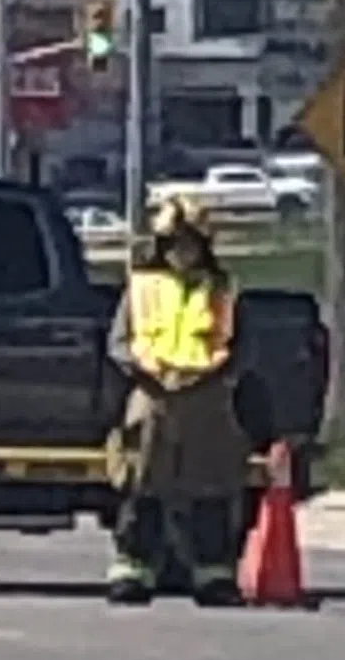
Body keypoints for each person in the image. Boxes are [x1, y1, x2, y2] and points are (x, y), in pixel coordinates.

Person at [106, 199, 249, 608]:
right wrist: (146, 375)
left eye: (189, 244)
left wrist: (220, 379)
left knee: (211, 489)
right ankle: (133, 569)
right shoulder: (142, 287)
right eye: (173, 243)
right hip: (152, 396)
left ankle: (213, 573)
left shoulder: (221, 289)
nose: (180, 252)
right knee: (143, 485)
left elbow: (239, 345)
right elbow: (119, 343)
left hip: (208, 398)